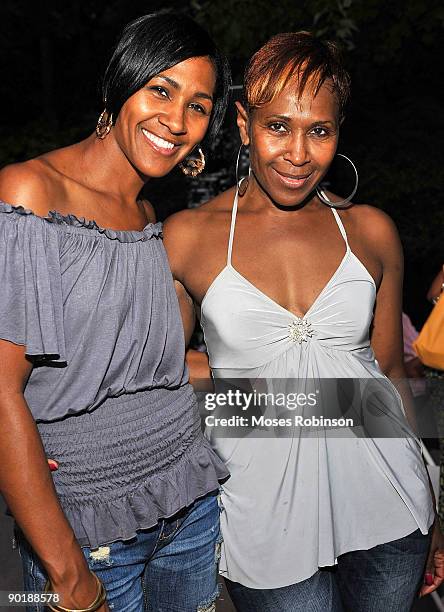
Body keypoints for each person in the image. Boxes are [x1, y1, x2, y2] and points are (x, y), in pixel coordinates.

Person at [164, 31, 444, 611]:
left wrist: (434, 509)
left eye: (319, 129)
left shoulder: (371, 231)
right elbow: (157, 375)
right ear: (243, 124)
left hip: (390, 501)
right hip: (262, 514)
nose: (297, 153)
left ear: (340, 130)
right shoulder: (188, 238)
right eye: (277, 126)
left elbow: (389, 374)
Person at [0, 11, 231, 612]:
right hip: (91, 533)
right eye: (161, 89)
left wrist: (323, 387)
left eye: (200, 106)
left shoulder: (150, 219)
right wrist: (69, 577)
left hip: (191, 501)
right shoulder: (30, 193)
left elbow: (154, 369)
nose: (177, 121)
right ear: (118, 86)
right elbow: (2, 390)